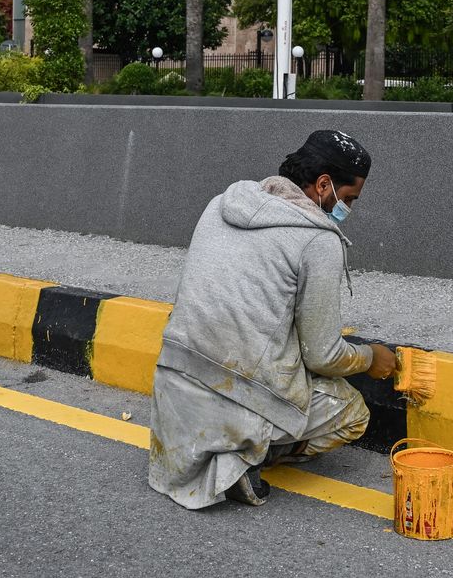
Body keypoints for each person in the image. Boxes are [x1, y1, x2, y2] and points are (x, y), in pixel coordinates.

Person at [147, 128, 399, 509]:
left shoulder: (220, 204)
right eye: (348, 199)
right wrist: (369, 358)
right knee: (352, 413)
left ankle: (215, 446)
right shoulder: (319, 241)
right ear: (324, 184)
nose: (348, 209)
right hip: (234, 394)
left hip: (172, 389)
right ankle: (239, 460)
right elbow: (323, 355)